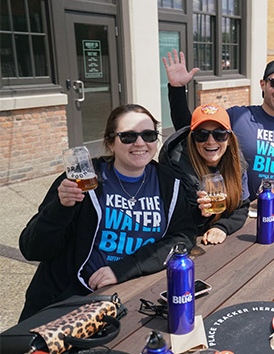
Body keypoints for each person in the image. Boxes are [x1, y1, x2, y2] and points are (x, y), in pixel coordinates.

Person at [18, 105, 196, 321]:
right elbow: (32, 248)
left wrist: (123, 269)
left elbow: (183, 237)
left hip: (134, 296)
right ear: (110, 142)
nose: (140, 143)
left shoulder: (169, 184)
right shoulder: (83, 180)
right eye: (128, 136)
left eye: (148, 135)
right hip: (70, 300)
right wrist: (61, 207)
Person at [163, 50, 274, 203]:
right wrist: (177, 89)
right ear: (263, 84)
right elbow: (192, 130)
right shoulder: (238, 116)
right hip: (244, 214)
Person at [159, 103, 250, 245]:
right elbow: (174, 225)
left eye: (219, 134)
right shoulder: (177, 168)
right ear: (192, 138)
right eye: (202, 135)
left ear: (229, 138)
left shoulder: (237, 163)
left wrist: (222, 227)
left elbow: (242, 207)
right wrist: (200, 214)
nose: (211, 141)